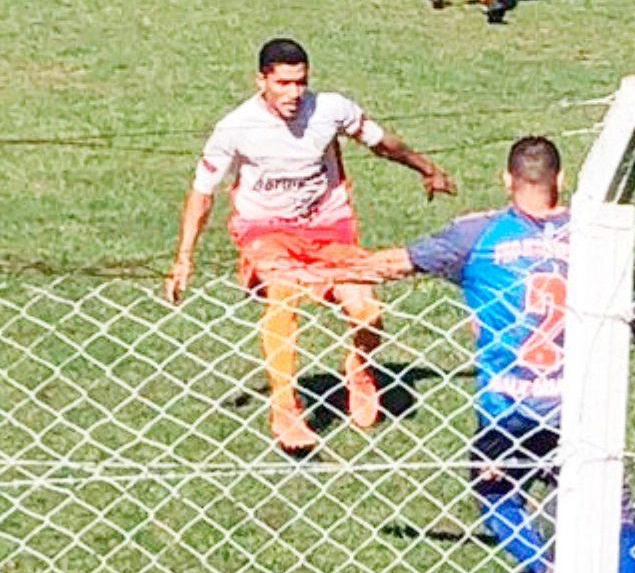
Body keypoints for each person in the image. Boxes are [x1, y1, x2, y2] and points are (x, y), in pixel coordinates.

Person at [347, 136, 635, 573]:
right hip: (581, 404)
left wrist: (318, 268)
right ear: (562, 180)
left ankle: (547, 568)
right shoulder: (596, 235)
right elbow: (629, 299)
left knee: (495, 494)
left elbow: (394, 264)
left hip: (508, 409)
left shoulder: (478, 234)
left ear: (507, 180)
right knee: (618, 515)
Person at [163, 37, 455, 453]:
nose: (294, 94)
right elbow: (201, 193)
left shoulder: (332, 110)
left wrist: (427, 169)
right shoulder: (235, 127)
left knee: (366, 310)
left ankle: (359, 368)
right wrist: (183, 259)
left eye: (300, 82)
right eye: (282, 83)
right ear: (261, 80)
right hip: (266, 232)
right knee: (283, 296)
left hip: (329, 231)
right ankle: (286, 407)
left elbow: (381, 142)